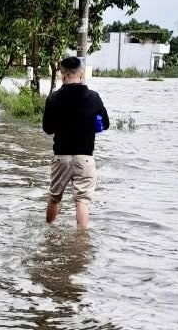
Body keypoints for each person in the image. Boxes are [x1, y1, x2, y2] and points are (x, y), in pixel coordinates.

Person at [42, 56, 109, 229]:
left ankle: (49, 233)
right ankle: (81, 241)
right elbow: (106, 124)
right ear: (81, 74)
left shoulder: (54, 98)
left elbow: (47, 129)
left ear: (62, 75)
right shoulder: (94, 97)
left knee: (54, 197)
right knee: (82, 201)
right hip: (85, 157)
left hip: (61, 157)